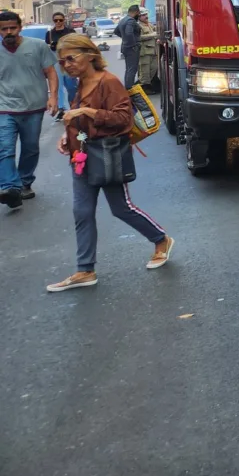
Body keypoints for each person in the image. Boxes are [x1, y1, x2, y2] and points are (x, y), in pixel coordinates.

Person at [45, 35, 174, 292]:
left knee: (121, 208)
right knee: (82, 212)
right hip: (80, 155)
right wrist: (65, 135)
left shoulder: (109, 82)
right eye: (62, 61)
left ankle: (161, 240)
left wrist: (85, 112)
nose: (66, 65)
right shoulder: (81, 83)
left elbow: (123, 119)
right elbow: (76, 119)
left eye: (72, 58)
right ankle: (85, 270)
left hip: (106, 155)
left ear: (91, 55)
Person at [0, 10, 60, 208]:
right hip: (5, 108)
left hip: (34, 108)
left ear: (20, 27)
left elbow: (51, 73)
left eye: (12, 28)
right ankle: (11, 188)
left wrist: (53, 97)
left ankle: (25, 182)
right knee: (5, 148)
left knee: (30, 147)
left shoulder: (37, 46)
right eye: (4, 29)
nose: (8, 32)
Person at [45, 12, 78, 118]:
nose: (58, 22)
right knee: (57, 84)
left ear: (64, 20)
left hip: (69, 59)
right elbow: (47, 47)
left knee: (71, 85)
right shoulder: (49, 33)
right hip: (56, 60)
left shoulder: (70, 31)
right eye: (56, 20)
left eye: (60, 20)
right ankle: (61, 108)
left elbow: (76, 45)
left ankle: (73, 105)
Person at [114, 4, 142, 88]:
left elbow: (116, 31)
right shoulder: (131, 20)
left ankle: (127, 88)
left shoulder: (123, 20)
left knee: (129, 69)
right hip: (132, 48)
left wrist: (125, 39)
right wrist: (133, 44)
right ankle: (130, 89)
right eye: (139, 13)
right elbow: (129, 33)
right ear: (136, 12)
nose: (139, 15)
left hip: (125, 47)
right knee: (132, 69)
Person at [137, 12, 159, 92]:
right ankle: (144, 88)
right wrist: (152, 35)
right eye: (143, 15)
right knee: (144, 71)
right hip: (145, 52)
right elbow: (138, 37)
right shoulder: (138, 26)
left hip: (153, 51)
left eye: (146, 14)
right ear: (139, 17)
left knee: (154, 68)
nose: (146, 16)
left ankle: (146, 86)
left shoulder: (149, 24)